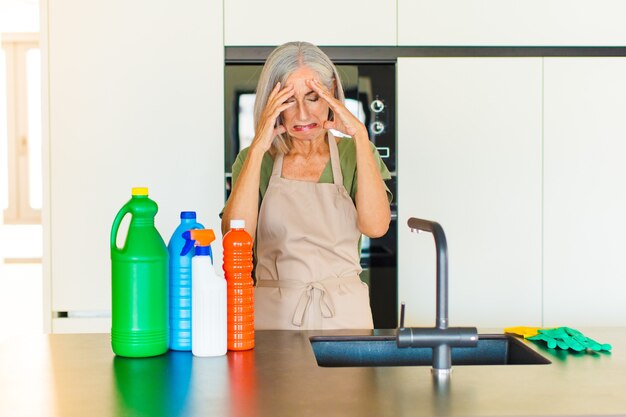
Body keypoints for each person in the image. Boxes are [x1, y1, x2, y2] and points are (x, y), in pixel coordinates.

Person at [221, 41, 392, 330]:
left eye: (313, 97)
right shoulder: (256, 161)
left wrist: (361, 136)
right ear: (271, 104)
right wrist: (257, 148)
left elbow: (376, 226)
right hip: (273, 321)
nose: (302, 114)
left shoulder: (355, 154)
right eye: (289, 100)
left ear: (332, 94)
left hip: (345, 318)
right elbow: (237, 238)